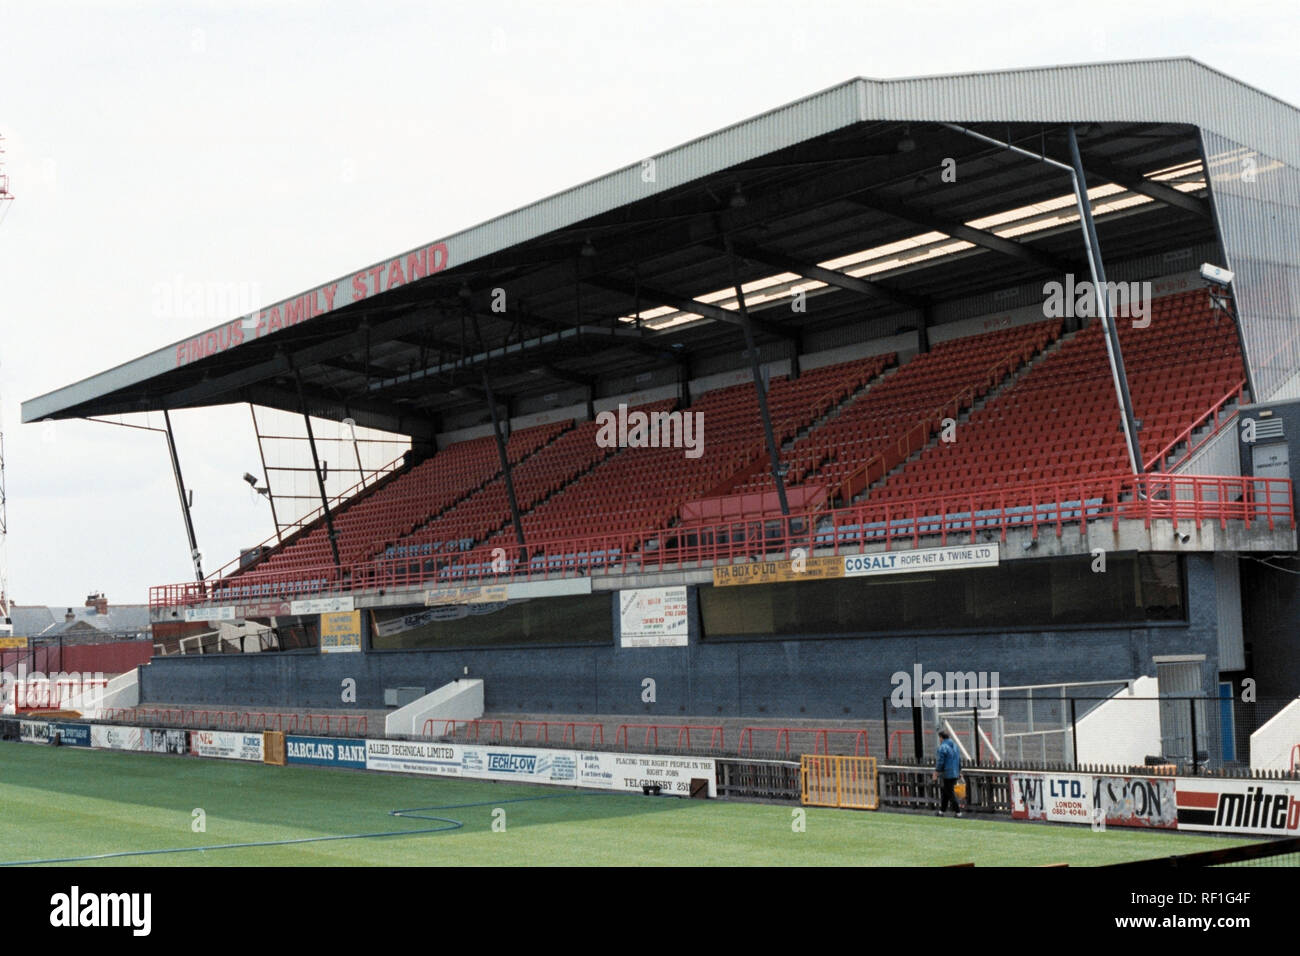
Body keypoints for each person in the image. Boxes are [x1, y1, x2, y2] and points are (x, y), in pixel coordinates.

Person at [933, 729, 963, 817]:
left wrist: (936, 772)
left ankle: (958, 812)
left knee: (950, 792)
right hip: (955, 772)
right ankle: (941, 811)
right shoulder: (955, 746)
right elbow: (958, 760)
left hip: (947, 773)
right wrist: (959, 771)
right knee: (946, 792)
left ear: (941, 738)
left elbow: (940, 761)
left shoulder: (942, 747)